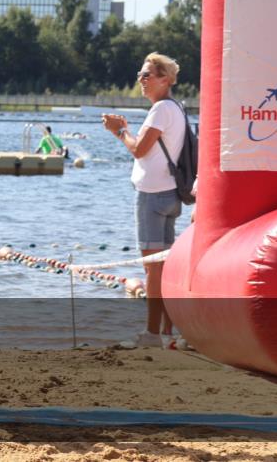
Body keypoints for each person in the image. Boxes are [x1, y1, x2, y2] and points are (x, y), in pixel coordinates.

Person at [101, 52, 185, 349]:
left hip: (152, 196)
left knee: (152, 267)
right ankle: (168, 332)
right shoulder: (176, 108)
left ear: (165, 79)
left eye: (147, 75)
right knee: (163, 266)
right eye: (140, 74)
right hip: (170, 194)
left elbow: (139, 150)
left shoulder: (161, 109)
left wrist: (120, 131)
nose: (141, 80)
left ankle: (152, 335)